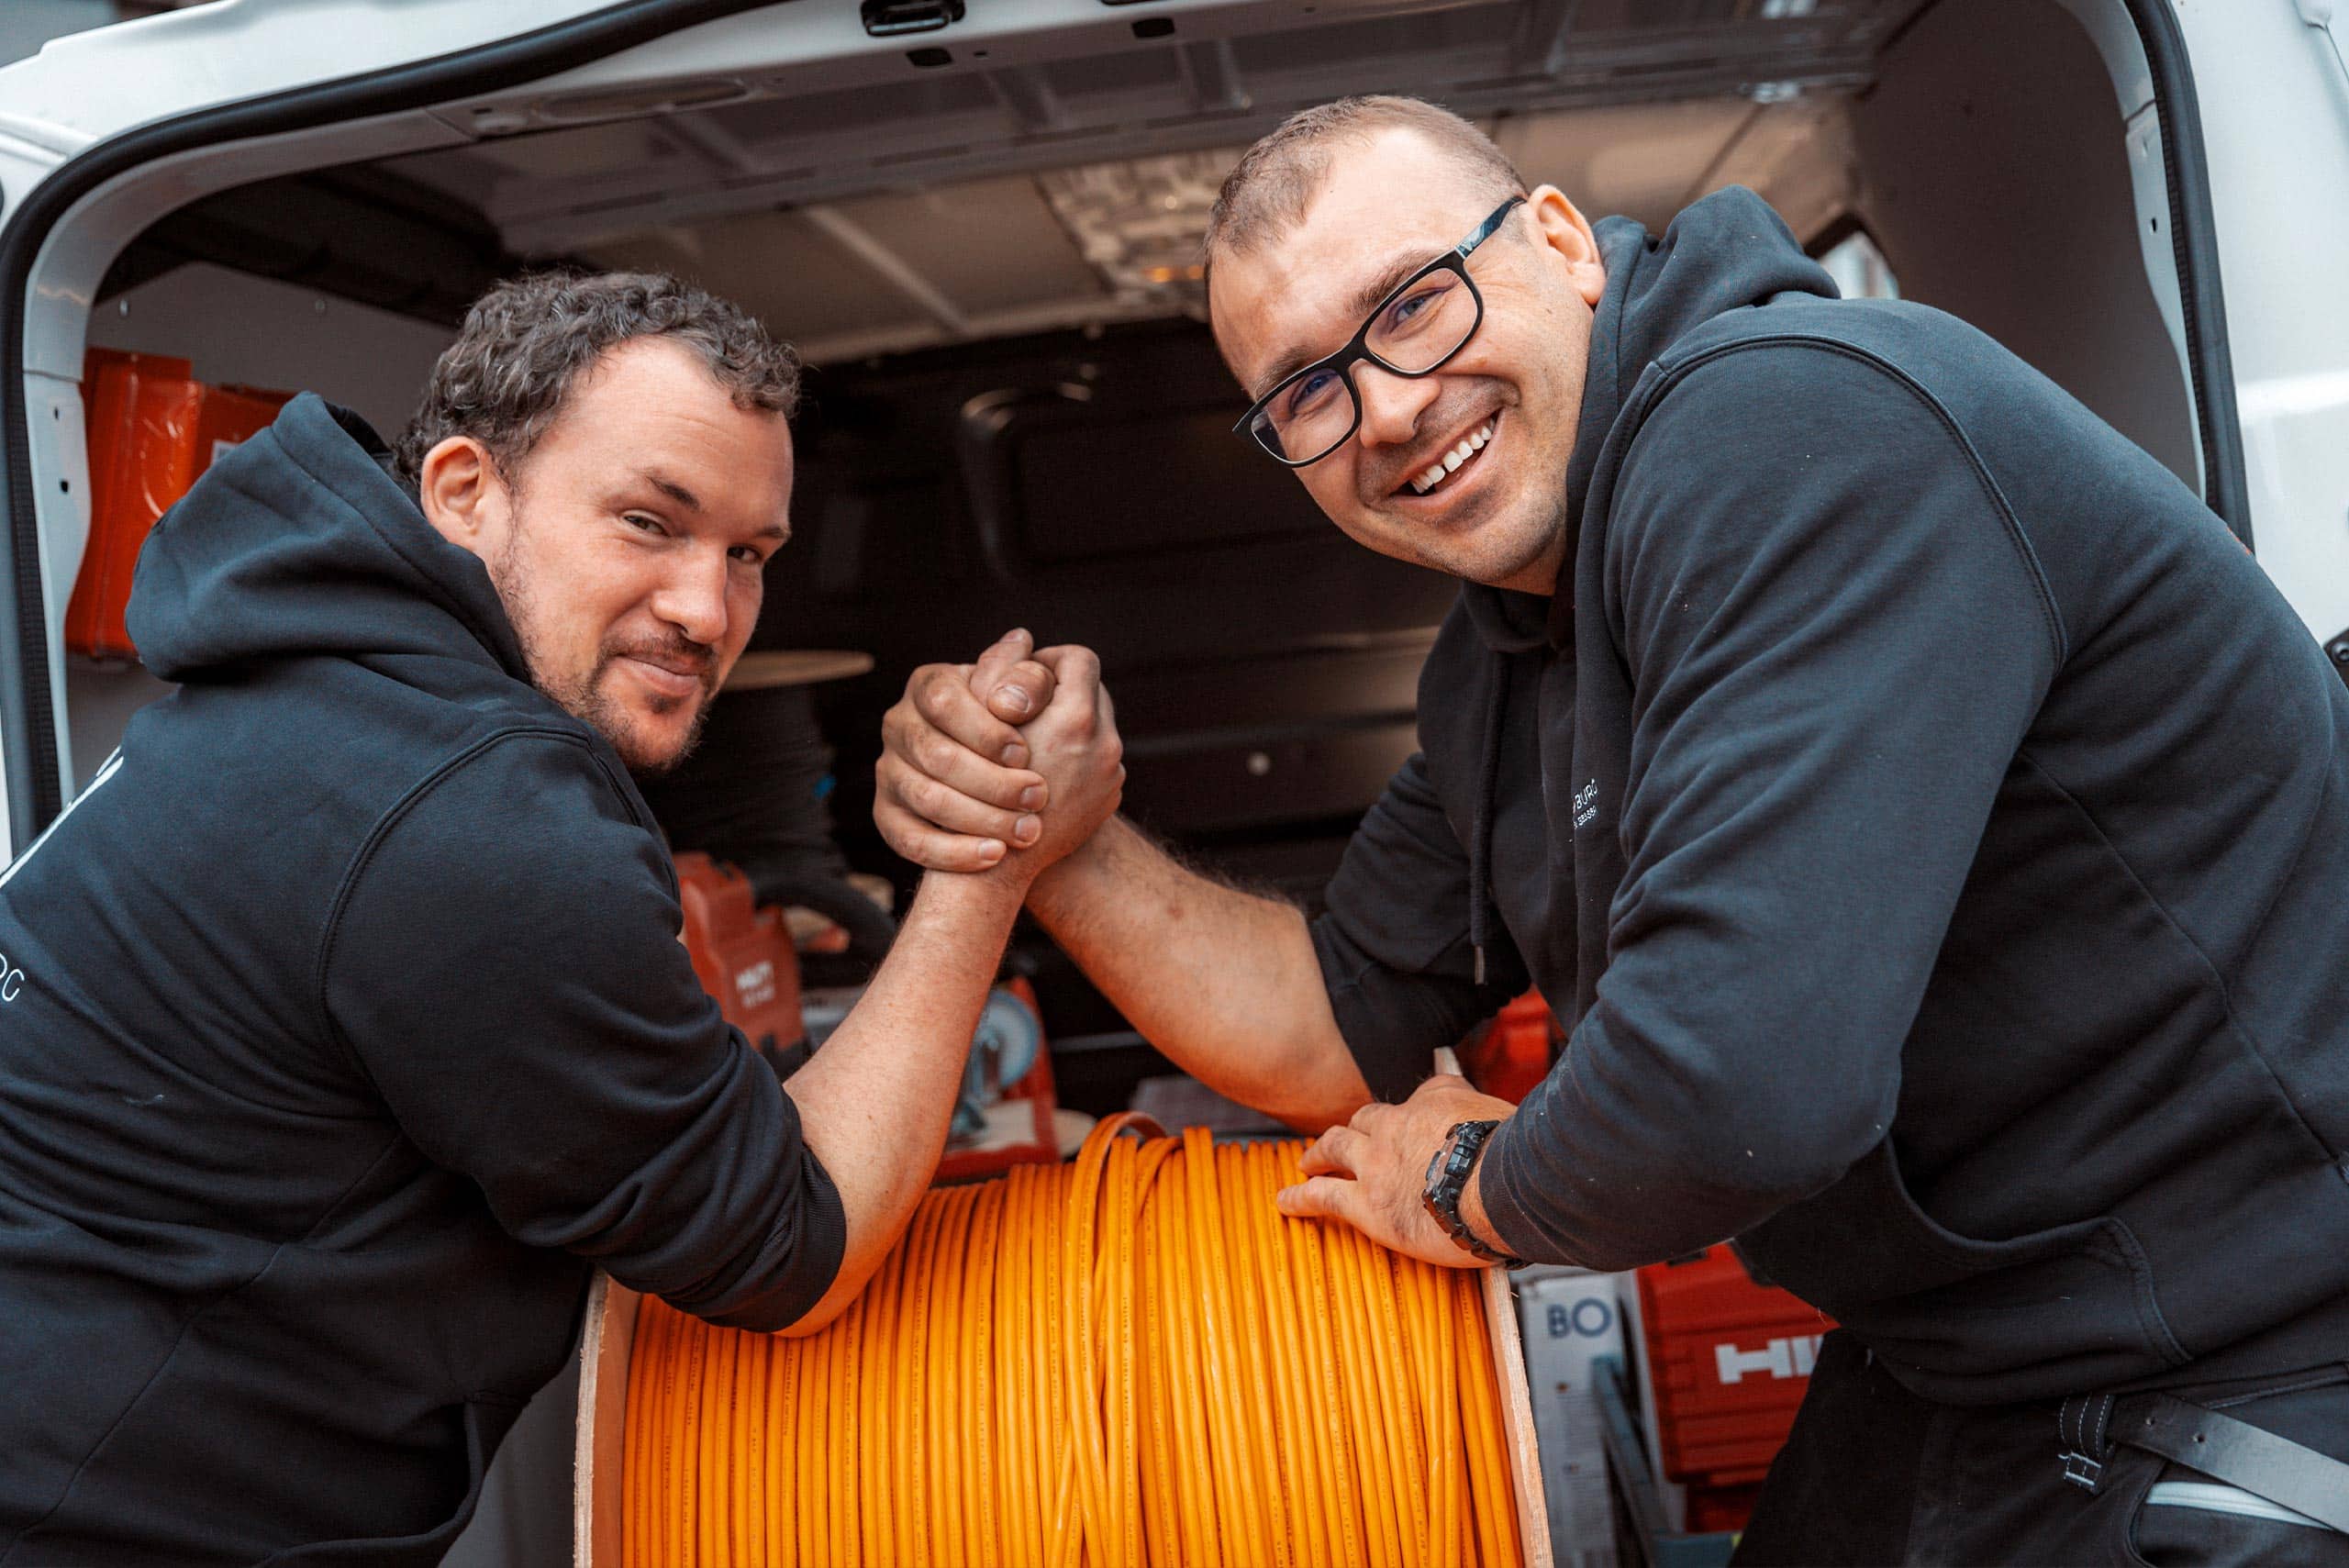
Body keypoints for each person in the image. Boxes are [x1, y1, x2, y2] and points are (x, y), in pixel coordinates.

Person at [874, 97, 2349, 1563]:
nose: (1387, 408)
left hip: (2249, 1358)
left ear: (1564, 244)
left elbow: (1740, 1080)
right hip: (1971, 1363)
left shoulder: (1789, 425)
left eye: (1414, 303)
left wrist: (1464, 1186)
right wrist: (1060, 839)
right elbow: (1334, 1014)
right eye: (1307, 393)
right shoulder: (1504, 655)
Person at [0, 272, 1120, 1565]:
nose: (710, 610)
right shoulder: (468, 814)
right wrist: (997, 852)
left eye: (749, 555)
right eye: (651, 520)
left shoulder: (297, 687)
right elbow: (795, 1243)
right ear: (467, 489)